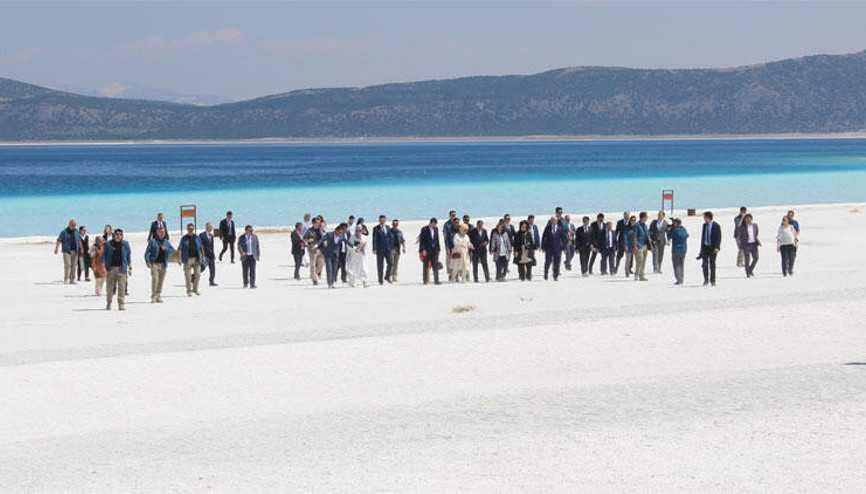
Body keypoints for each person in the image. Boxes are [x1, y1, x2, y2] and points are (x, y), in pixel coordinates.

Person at [144, 226, 176, 303]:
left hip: (163, 264)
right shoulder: (153, 241)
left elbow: (173, 251)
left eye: (163, 232)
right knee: (155, 279)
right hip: (154, 264)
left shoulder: (166, 242)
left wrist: (166, 249)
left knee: (161, 281)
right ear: (157, 233)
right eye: (160, 232)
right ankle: (153, 296)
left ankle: (158, 295)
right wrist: (148, 262)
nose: (162, 234)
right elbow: (147, 253)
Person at [102, 228, 131, 310]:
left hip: (122, 268)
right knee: (110, 287)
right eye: (117, 234)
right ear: (113, 235)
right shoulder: (108, 244)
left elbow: (128, 256)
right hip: (111, 268)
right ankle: (109, 303)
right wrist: (104, 266)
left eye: (120, 235)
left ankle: (121, 304)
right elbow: (104, 256)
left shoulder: (125, 244)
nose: (118, 236)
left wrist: (130, 267)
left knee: (122, 287)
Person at [312, 223, 346, 289]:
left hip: (336, 255)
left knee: (334, 269)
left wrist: (354, 247)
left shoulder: (341, 236)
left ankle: (332, 283)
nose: (340, 233)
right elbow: (322, 240)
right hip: (328, 255)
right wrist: (316, 245)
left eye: (341, 232)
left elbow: (347, 242)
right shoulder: (329, 234)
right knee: (329, 269)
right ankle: (329, 284)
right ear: (336, 230)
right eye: (339, 232)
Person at [178, 223, 204, 296]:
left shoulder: (197, 237)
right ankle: (189, 290)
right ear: (187, 229)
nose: (191, 230)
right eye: (189, 229)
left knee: (198, 274)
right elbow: (180, 248)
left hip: (197, 259)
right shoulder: (184, 238)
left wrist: (203, 257)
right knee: (188, 276)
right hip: (187, 259)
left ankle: (195, 289)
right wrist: (179, 259)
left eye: (192, 229)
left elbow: (201, 247)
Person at [54, 219, 81, 284]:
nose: (74, 226)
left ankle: (72, 279)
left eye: (75, 225)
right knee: (68, 264)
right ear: (69, 224)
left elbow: (79, 240)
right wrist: (56, 249)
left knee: (74, 265)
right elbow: (59, 240)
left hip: (75, 250)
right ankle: (66, 278)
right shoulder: (64, 232)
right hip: (66, 250)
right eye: (73, 225)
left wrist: (81, 248)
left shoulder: (76, 231)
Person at [699, 211, 722, 286]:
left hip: (713, 248)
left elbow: (719, 237)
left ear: (708, 217)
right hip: (705, 247)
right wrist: (701, 249)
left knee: (712, 264)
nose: (704, 219)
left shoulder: (716, 225)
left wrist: (717, 247)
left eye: (705, 217)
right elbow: (703, 237)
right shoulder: (704, 225)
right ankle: (706, 280)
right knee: (704, 264)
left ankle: (713, 280)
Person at [541, 216, 567, 281]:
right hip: (549, 248)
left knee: (556, 263)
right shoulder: (547, 228)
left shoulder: (560, 228)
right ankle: (546, 274)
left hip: (557, 248)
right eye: (552, 220)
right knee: (548, 261)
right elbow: (544, 237)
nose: (553, 222)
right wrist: (543, 247)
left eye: (554, 220)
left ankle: (555, 276)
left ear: (557, 221)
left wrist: (564, 247)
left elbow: (564, 239)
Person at [372, 215, 394, 285]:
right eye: (381, 220)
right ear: (379, 220)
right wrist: (374, 248)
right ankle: (380, 280)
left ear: (385, 220)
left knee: (391, 263)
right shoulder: (376, 228)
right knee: (380, 265)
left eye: (383, 220)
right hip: (380, 249)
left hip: (388, 249)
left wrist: (391, 247)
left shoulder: (388, 227)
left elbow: (390, 238)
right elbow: (374, 239)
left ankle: (387, 276)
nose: (382, 221)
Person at [737, 214, 761, 278]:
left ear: (751, 219)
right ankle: (747, 273)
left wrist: (756, 240)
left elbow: (756, 233)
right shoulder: (743, 227)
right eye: (747, 219)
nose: (748, 220)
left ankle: (750, 270)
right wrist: (742, 242)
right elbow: (740, 235)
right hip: (746, 245)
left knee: (756, 258)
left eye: (749, 218)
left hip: (754, 244)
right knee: (747, 259)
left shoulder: (755, 225)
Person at [419, 218, 442, 285]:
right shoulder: (424, 229)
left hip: (434, 250)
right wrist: (423, 250)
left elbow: (437, 239)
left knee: (435, 266)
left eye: (435, 225)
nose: (434, 226)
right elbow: (422, 240)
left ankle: (436, 281)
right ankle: (425, 280)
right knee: (425, 266)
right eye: (434, 224)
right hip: (426, 250)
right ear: (431, 223)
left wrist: (438, 249)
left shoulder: (436, 229)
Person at [631, 212, 652, 281]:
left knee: (643, 261)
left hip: (645, 245)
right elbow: (634, 236)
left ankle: (642, 276)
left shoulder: (644, 225)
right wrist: (635, 246)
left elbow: (647, 235)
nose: (647, 218)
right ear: (643, 217)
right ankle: (636, 275)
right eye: (646, 217)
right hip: (639, 245)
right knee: (639, 261)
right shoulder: (637, 225)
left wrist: (650, 245)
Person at [303, 217, 325, 285]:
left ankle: (314, 274)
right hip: (312, 249)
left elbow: (325, 237)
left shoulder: (321, 230)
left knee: (321, 264)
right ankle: (314, 279)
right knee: (312, 264)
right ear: (313, 223)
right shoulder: (309, 231)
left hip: (321, 248)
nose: (318, 224)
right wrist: (308, 240)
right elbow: (304, 239)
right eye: (317, 223)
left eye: (319, 223)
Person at [667, 218, 689, 285]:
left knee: (676, 265)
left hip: (676, 249)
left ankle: (679, 279)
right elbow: (687, 235)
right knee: (681, 264)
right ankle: (681, 279)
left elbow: (669, 236)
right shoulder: (683, 229)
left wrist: (670, 230)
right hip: (683, 249)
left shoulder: (675, 230)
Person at [200, 222, 217, 286]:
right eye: (209, 227)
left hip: (211, 255)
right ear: (206, 227)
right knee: (202, 268)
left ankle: (211, 281)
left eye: (211, 227)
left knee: (212, 269)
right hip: (205, 255)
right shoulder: (202, 235)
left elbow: (212, 246)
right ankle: (193, 277)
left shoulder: (211, 236)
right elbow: (200, 246)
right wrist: (202, 255)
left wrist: (214, 254)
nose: (210, 228)